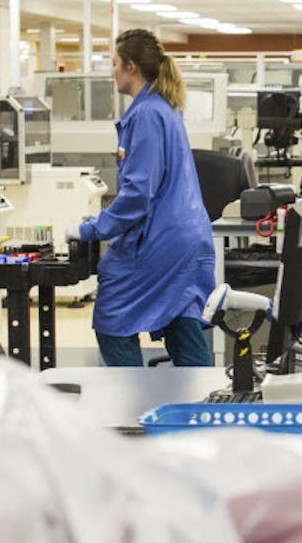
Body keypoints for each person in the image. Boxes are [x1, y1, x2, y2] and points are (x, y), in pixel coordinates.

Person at [69, 28, 216, 367]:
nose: (112, 70)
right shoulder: (163, 107)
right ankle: (203, 406)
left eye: (115, 63)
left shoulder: (147, 114)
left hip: (161, 240)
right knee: (182, 320)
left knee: (112, 317)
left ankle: (133, 405)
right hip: (185, 237)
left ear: (131, 67)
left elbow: (138, 195)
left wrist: (91, 229)